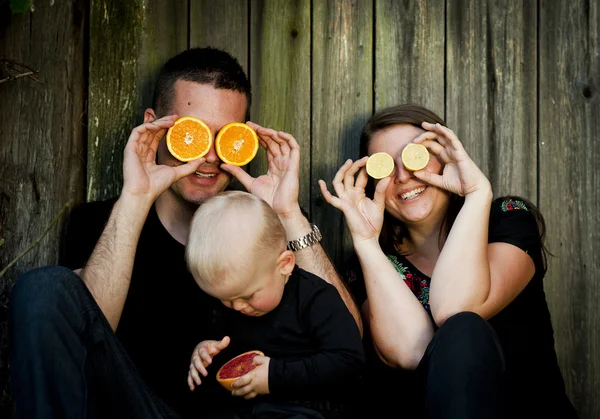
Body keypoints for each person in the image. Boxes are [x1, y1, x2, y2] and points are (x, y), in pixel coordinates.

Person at [9, 47, 361, 419]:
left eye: (225, 137)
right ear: (153, 125)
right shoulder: (101, 222)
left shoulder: (269, 225)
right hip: (135, 409)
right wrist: (135, 199)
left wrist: (288, 214)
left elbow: (348, 340)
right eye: (191, 134)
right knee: (42, 286)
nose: (208, 156)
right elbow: (83, 339)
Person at [319, 103, 578, 419]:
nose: (402, 176)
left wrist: (477, 193)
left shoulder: (507, 219)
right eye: (384, 167)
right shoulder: (366, 267)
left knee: (464, 327)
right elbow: (410, 352)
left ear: (447, 159)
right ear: (373, 183)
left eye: (417, 156)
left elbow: (455, 311)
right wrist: (365, 242)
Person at [184, 190, 364, 419]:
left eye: (248, 297)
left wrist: (274, 376)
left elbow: (348, 360)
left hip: (310, 408)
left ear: (285, 265)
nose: (237, 307)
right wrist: (205, 353)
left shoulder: (316, 299)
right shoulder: (228, 303)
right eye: (226, 300)